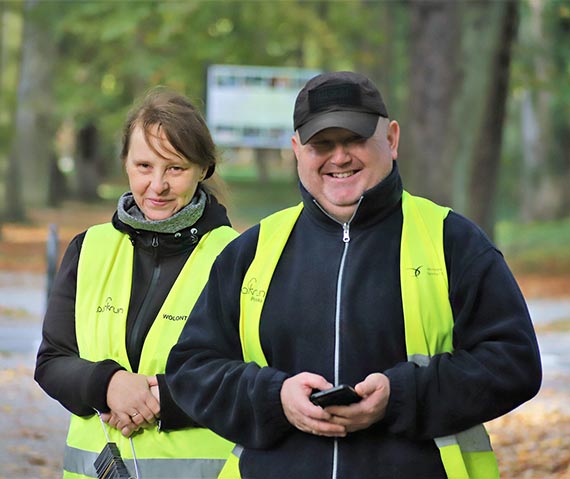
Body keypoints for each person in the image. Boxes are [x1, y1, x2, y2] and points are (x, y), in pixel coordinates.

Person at [164, 71, 542, 479]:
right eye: (321, 144)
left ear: (392, 139)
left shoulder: (453, 241)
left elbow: (513, 363)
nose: (339, 157)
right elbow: (191, 369)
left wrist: (400, 397)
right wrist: (276, 398)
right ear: (296, 150)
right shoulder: (252, 251)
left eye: (355, 139)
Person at [34, 88, 238, 479]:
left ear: (204, 170)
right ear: (126, 163)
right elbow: (52, 361)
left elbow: (255, 376)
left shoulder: (238, 257)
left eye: (175, 168)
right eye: (144, 166)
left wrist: (163, 399)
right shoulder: (88, 249)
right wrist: (107, 384)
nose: (157, 185)